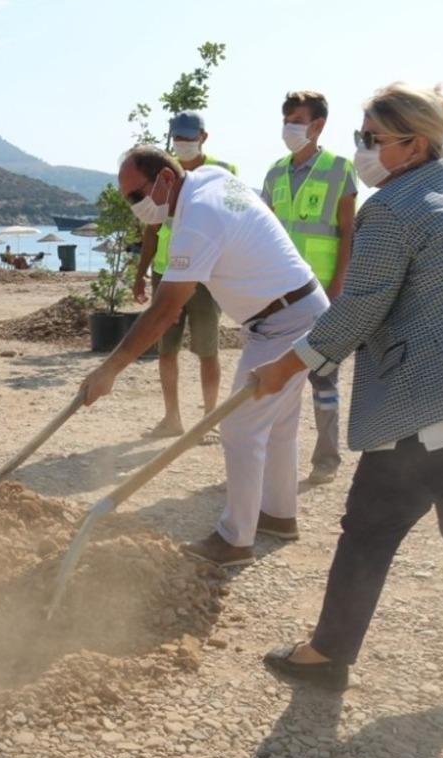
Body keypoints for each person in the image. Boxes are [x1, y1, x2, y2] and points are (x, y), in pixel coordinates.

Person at [255, 83, 443, 690]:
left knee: (370, 524)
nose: (362, 150)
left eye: (371, 139)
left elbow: (359, 308)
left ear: (413, 144)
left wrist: (286, 366)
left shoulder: (390, 210)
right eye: (359, 137)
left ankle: (327, 654)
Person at [81, 145, 328, 566]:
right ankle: (278, 516)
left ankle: (234, 540)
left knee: (240, 429)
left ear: (164, 179)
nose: (135, 207)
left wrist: (110, 369)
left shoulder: (198, 217)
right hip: (299, 310)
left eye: (135, 196)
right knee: (279, 425)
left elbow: (165, 310)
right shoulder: (210, 179)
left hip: (283, 321)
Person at [262, 91, 358, 485]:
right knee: (276, 377)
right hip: (279, 293)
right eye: (286, 117)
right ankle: (270, 455)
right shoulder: (274, 173)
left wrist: (338, 286)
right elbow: (263, 234)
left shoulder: (340, 169)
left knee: (323, 380)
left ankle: (327, 458)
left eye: (296, 118)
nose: (289, 125)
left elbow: (348, 232)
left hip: (321, 294)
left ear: (317, 125)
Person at [132, 111, 236, 440]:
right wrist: (141, 274)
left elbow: (234, 222)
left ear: (204, 137)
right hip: (167, 271)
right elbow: (151, 229)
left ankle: (209, 418)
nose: (182, 144)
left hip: (205, 274)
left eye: (189, 138)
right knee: (166, 350)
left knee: (208, 349)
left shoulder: (224, 171)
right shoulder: (162, 174)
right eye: (177, 138)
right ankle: (171, 418)